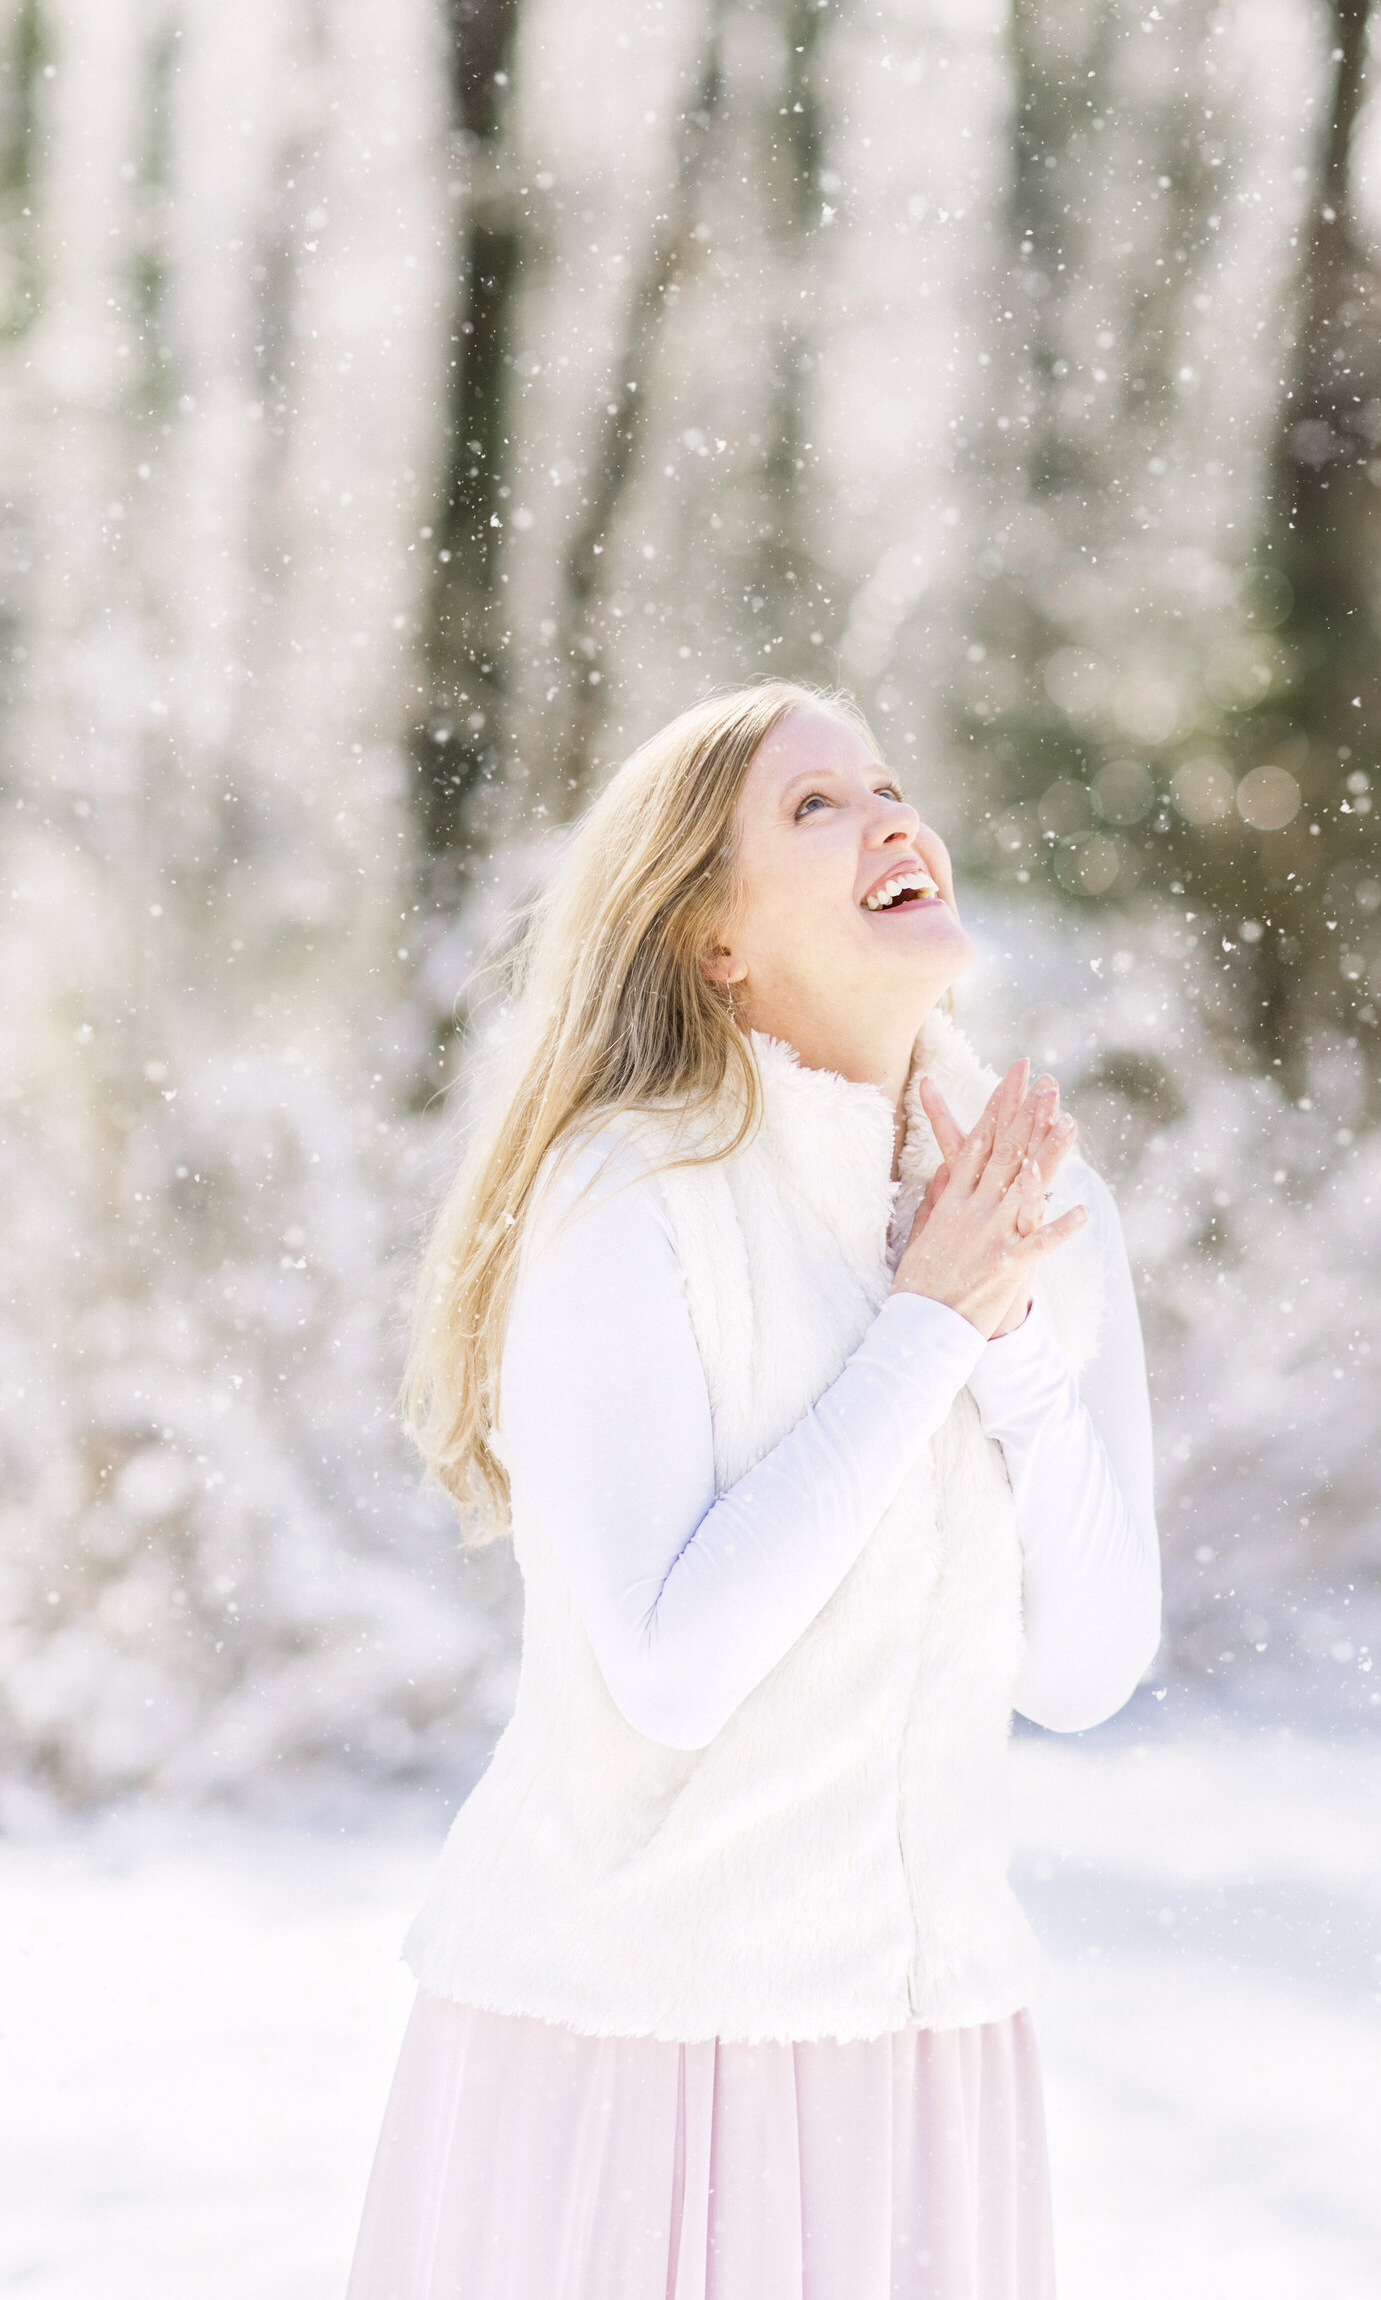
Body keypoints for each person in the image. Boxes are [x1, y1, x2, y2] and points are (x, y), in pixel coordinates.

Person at [346, 680, 1160, 2300]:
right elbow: (670, 1669)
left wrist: (997, 1330)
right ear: (714, 940)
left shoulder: (1038, 1204)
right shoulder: (634, 1196)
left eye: (885, 781)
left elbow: (1087, 1670)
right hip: (637, 2054)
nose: (888, 817)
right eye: (813, 808)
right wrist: (926, 1324)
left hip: (927, 2068)